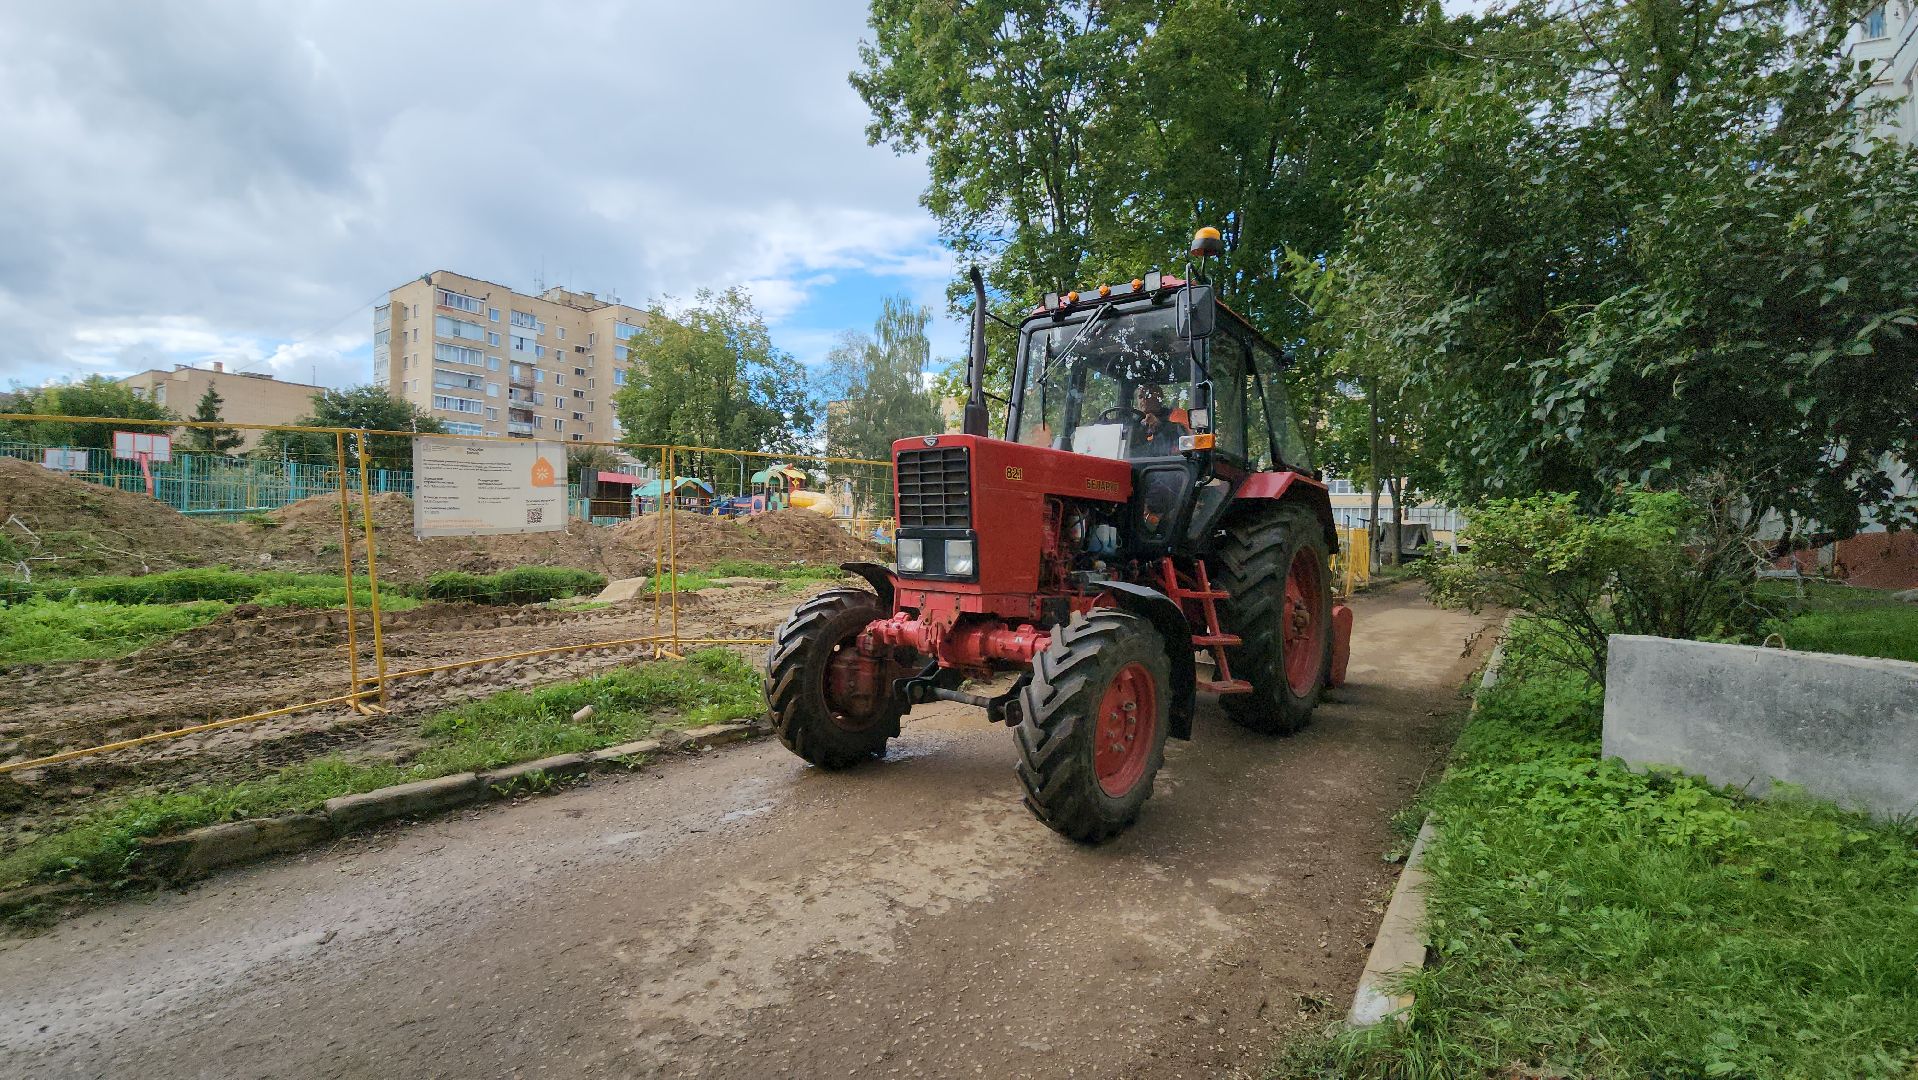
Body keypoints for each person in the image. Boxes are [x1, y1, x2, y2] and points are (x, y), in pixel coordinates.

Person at [1128, 383, 1188, 458]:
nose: (1144, 399)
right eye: (1140, 397)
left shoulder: (1177, 416)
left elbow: (1186, 442)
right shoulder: (1132, 424)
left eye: (1148, 395)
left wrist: (1160, 426)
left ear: (1159, 398)